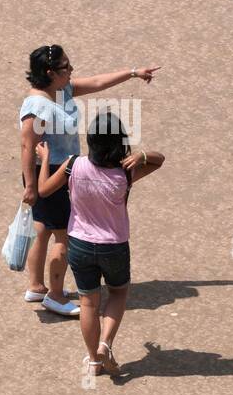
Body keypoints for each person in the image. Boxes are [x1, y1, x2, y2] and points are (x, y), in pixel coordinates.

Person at [18, 45, 161, 316]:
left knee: (43, 228)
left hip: (57, 169)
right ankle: (56, 296)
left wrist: (133, 73)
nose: (72, 70)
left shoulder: (62, 89)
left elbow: (97, 82)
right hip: (52, 173)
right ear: (49, 72)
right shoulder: (38, 106)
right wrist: (30, 186)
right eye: (66, 67)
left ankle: (36, 286)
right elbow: (27, 146)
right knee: (63, 235)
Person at [37, 110, 165, 375]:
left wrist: (46, 159)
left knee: (88, 303)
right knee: (117, 293)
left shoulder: (73, 165)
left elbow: (44, 190)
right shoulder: (125, 173)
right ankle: (105, 345)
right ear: (120, 142)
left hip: (80, 245)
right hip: (115, 245)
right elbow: (159, 160)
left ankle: (93, 361)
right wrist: (140, 155)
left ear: (91, 141)